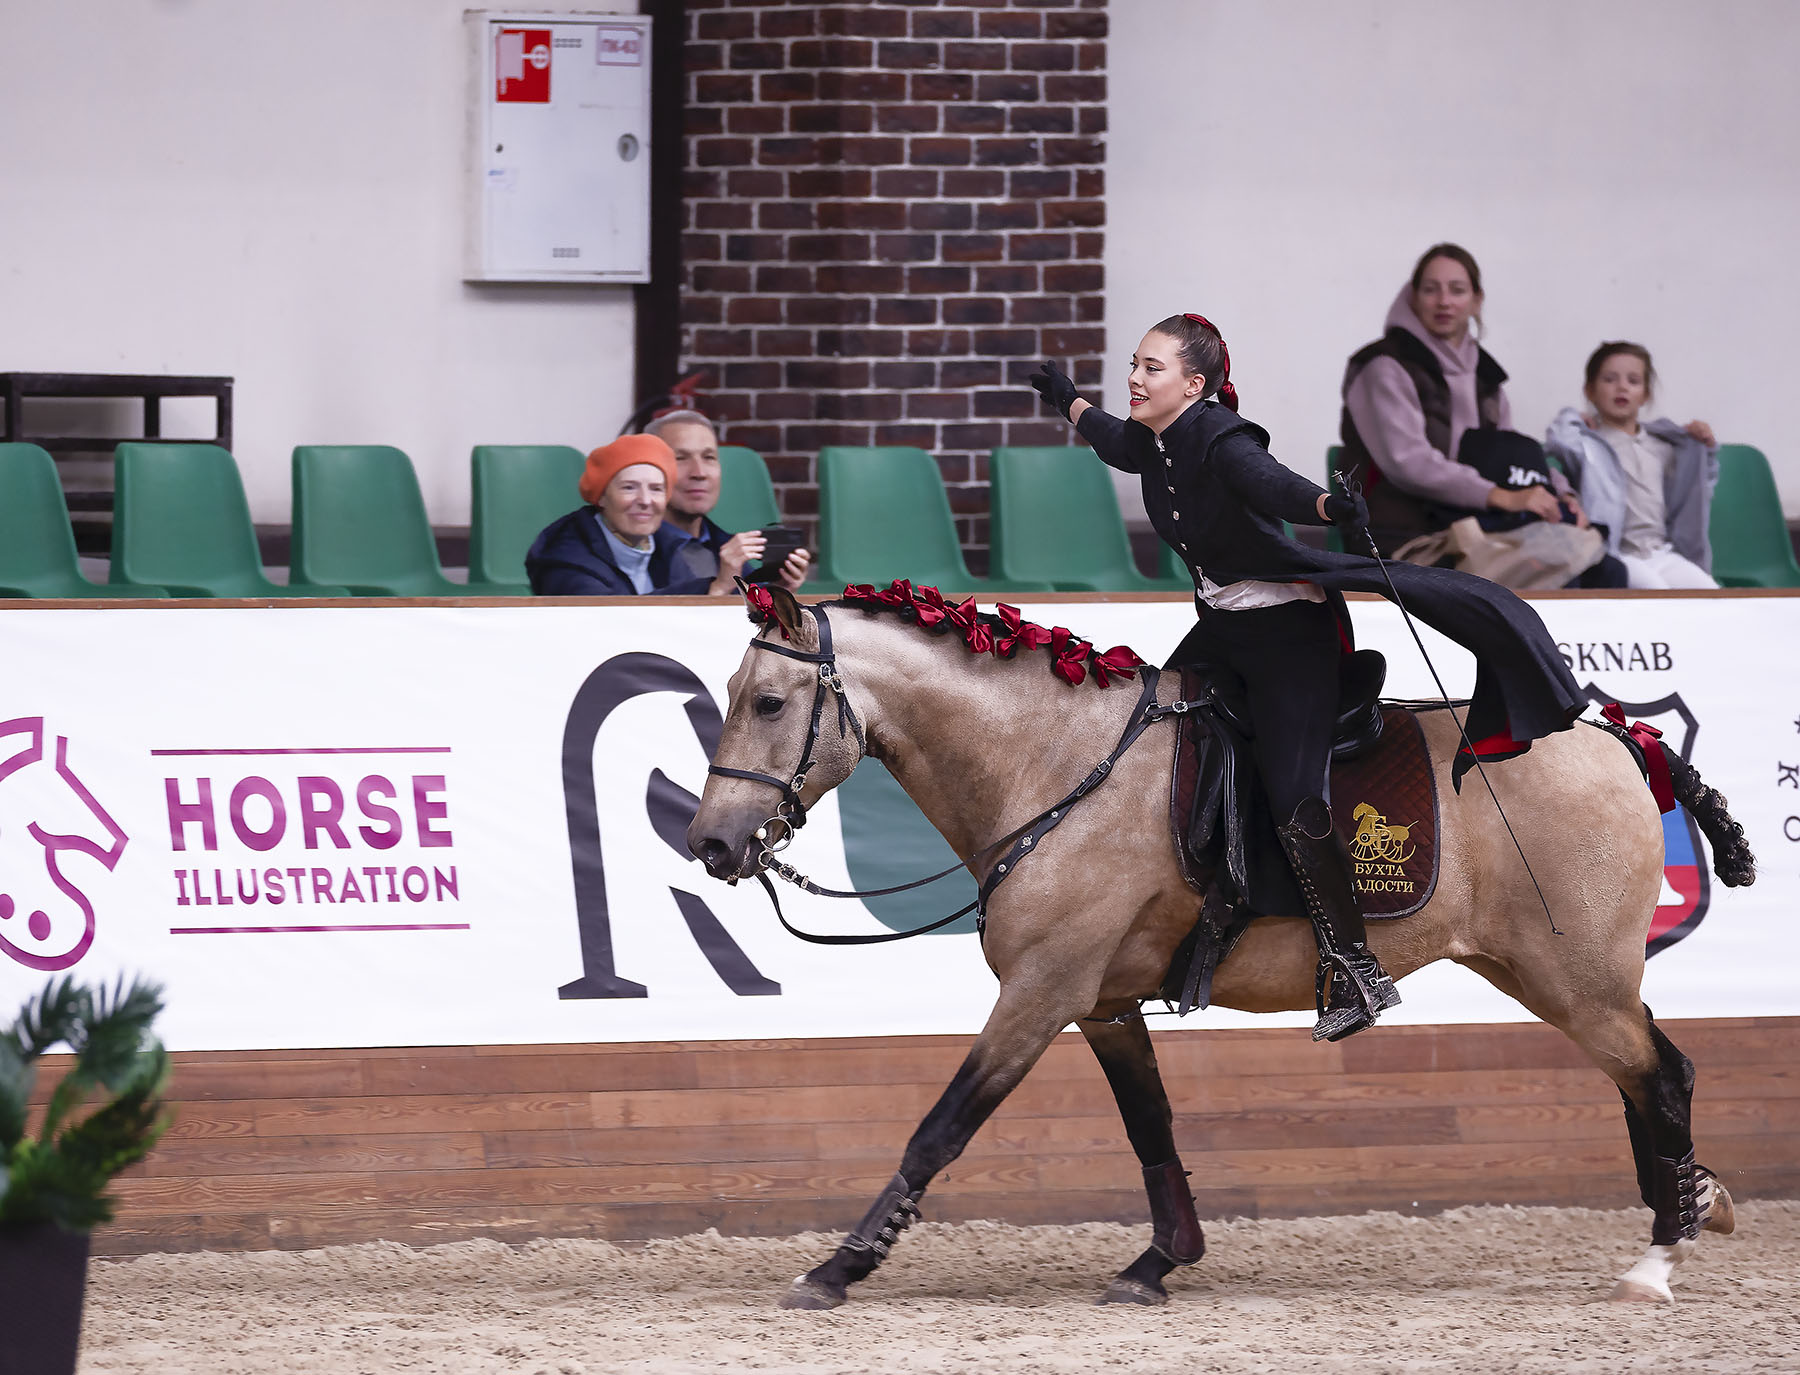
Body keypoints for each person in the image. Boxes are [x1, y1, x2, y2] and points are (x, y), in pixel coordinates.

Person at [1029, 313, 1585, 1041]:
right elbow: (1113, 438)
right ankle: (1210, 906)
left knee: (1295, 794)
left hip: (1289, 637)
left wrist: (1327, 506)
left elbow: (1276, 486)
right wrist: (1067, 400)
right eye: (1135, 363)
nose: (1135, 378)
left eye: (1152, 368)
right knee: (1159, 742)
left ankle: (1356, 965)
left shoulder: (1220, 438)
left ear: (1195, 386)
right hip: (1225, 630)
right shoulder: (1153, 437)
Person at [1340, 244, 1620, 586]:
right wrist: (1499, 496)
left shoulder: (1486, 376)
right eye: (1431, 289)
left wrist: (1562, 496)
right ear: (1413, 297)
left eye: (1457, 290)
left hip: (1478, 531)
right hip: (1404, 540)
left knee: (1605, 569)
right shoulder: (1384, 366)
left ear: (1476, 300)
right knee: (1563, 575)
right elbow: (1409, 463)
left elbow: (1514, 456)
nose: (1444, 301)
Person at [1543, 343, 1719, 589]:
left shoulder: (1664, 446)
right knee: (1657, 595)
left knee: (1712, 595)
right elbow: (1558, 440)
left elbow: (1699, 488)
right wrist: (1573, 416)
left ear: (1646, 394)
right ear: (1590, 391)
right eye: (1609, 379)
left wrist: (1706, 451)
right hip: (1617, 554)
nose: (1622, 387)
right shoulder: (1588, 445)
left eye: (1633, 381)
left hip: (1661, 553)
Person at [526, 434, 740, 596]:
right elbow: (609, 622)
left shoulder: (666, 544)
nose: (645, 501)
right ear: (601, 498)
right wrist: (715, 588)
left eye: (656, 489)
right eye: (629, 488)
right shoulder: (565, 556)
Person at [647, 408, 810, 594]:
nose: (699, 473)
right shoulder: (630, 551)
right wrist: (720, 590)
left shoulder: (724, 545)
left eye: (709, 458)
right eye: (680, 458)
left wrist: (778, 594)